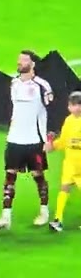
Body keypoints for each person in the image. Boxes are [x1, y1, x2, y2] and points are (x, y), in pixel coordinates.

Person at [0, 50, 54, 229]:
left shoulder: (42, 86)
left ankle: (44, 212)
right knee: (10, 175)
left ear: (32, 64)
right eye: (18, 60)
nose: (19, 63)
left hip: (34, 140)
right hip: (14, 138)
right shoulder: (14, 83)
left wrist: (48, 138)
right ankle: (5, 217)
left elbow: (53, 113)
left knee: (38, 175)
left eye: (23, 60)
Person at [47, 91, 81, 232]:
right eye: (74, 105)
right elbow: (63, 141)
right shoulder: (68, 121)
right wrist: (52, 146)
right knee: (64, 188)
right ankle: (58, 219)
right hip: (70, 162)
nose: (77, 108)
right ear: (69, 107)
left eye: (79, 104)